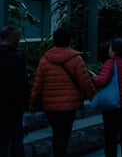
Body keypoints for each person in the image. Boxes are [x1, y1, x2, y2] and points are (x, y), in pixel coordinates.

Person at [29, 27, 95, 157]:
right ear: (69, 41)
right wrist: (95, 98)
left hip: (50, 106)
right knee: (64, 136)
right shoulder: (76, 59)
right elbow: (85, 82)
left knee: (56, 134)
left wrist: (33, 105)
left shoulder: (44, 60)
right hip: (69, 105)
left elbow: (37, 85)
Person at [92, 37, 122, 157]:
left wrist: (93, 77)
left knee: (110, 140)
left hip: (113, 107)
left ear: (114, 50)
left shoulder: (111, 63)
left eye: (110, 47)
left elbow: (102, 82)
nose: (109, 50)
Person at [0, 25, 28, 157]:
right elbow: (22, 85)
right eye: (18, 37)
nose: (20, 40)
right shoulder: (17, 59)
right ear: (12, 38)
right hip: (13, 107)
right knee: (16, 140)